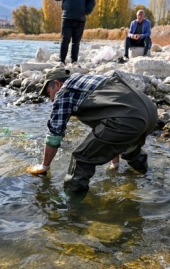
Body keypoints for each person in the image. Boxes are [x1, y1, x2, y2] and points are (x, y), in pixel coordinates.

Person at [28, 68, 159, 193]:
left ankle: (73, 209)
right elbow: (110, 115)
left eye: (48, 93)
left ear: (56, 84)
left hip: (127, 118)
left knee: (81, 160)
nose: (50, 99)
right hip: (150, 113)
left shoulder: (64, 92)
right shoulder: (88, 81)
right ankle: (149, 181)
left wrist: (44, 166)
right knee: (131, 149)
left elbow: (54, 134)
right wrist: (115, 163)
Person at [53, 0, 96, 64]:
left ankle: (74, 61)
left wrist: (86, 11)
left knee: (76, 42)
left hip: (80, 19)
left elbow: (92, 1)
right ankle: (61, 61)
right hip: (66, 17)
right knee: (65, 40)